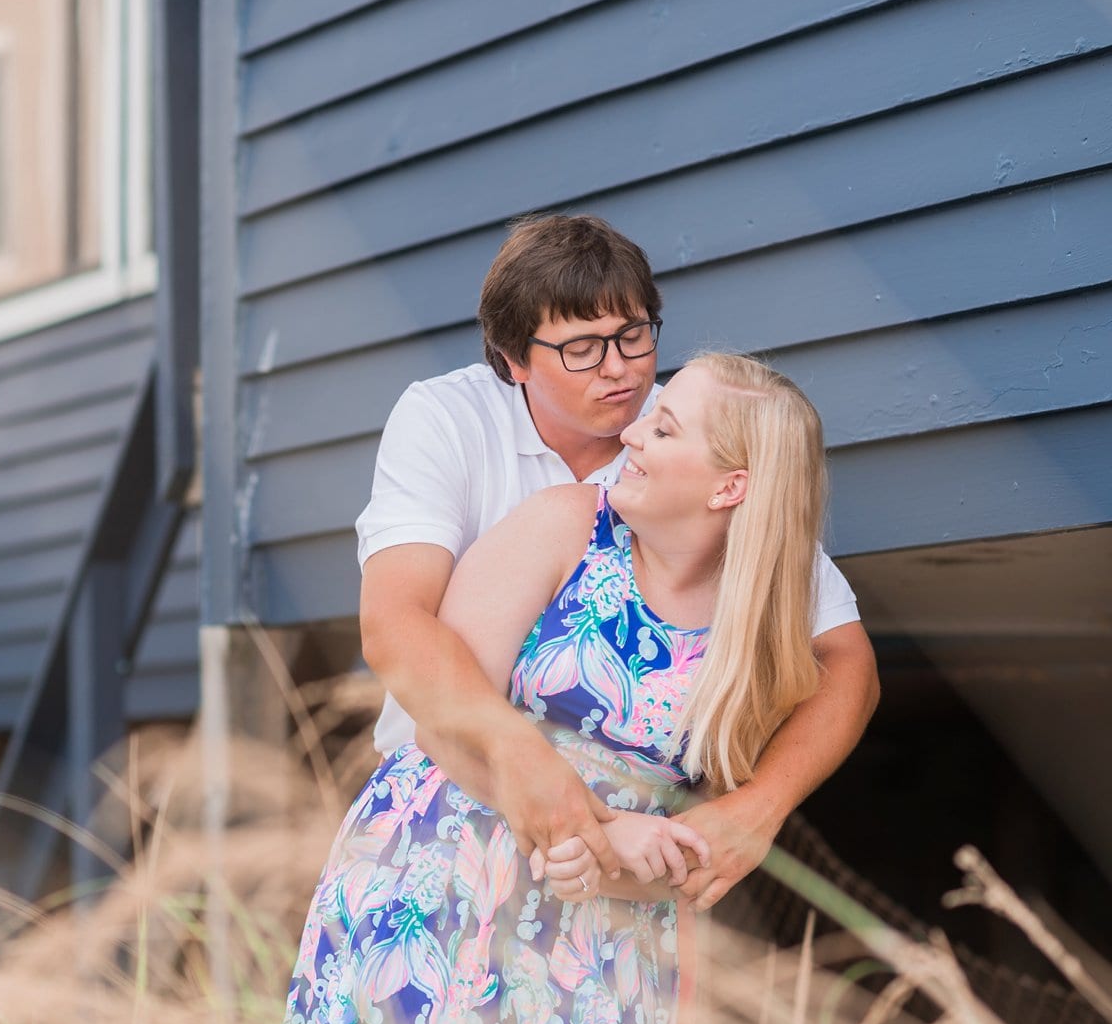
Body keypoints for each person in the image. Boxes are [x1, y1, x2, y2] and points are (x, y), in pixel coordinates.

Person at [281, 352, 836, 1024]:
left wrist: (632, 851)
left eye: (665, 424)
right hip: (442, 885)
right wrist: (594, 829)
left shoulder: (758, 628)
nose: (633, 432)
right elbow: (444, 718)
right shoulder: (568, 524)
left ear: (731, 487)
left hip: (599, 944)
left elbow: (699, 826)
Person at [354, 214, 877, 910]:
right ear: (514, 362)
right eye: (581, 349)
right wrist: (521, 757)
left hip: (626, 876)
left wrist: (759, 807)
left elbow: (845, 659)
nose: (621, 369)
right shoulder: (447, 420)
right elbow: (394, 623)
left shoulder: (691, 432)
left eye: (634, 335)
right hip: (455, 811)